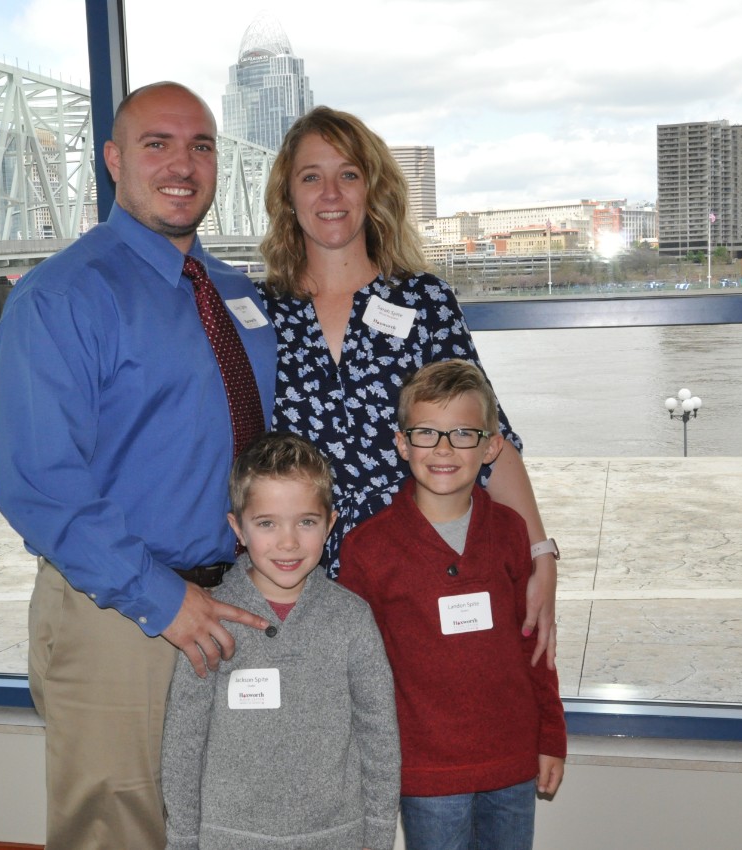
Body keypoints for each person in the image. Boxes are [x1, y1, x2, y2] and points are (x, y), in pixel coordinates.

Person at [0, 82, 276, 850]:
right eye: (158, 144)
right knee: (118, 832)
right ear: (115, 160)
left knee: (229, 822)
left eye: (202, 145)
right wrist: (163, 598)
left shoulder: (239, 296)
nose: (183, 163)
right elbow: (39, 484)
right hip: (119, 615)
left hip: (237, 606)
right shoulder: (59, 298)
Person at [258, 105, 560, 667]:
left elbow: (488, 439)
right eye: (311, 177)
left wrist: (541, 555)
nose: (331, 193)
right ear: (287, 196)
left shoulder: (422, 300)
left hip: (417, 564)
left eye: (348, 175)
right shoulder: (257, 312)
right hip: (298, 572)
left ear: (373, 190)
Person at [338, 359, 566, 850]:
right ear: (402, 443)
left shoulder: (511, 533)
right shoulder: (366, 548)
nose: (444, 449)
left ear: (491, 447)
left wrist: (551, 737)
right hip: (425, 770)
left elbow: (537, 646)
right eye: (426, 433)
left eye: (463, 433)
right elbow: (355, 670)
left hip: (512, 762)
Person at [161, 431, 400, 850]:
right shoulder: (210, 621)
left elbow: (378, 734)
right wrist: (183, 838)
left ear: (330, 524)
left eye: (306, 522)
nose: (288, 542)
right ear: (238, 527)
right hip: (229, 839)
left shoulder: (352, 619)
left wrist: (378, 834)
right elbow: (184, 739)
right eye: (267, 523)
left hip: (336, 836)